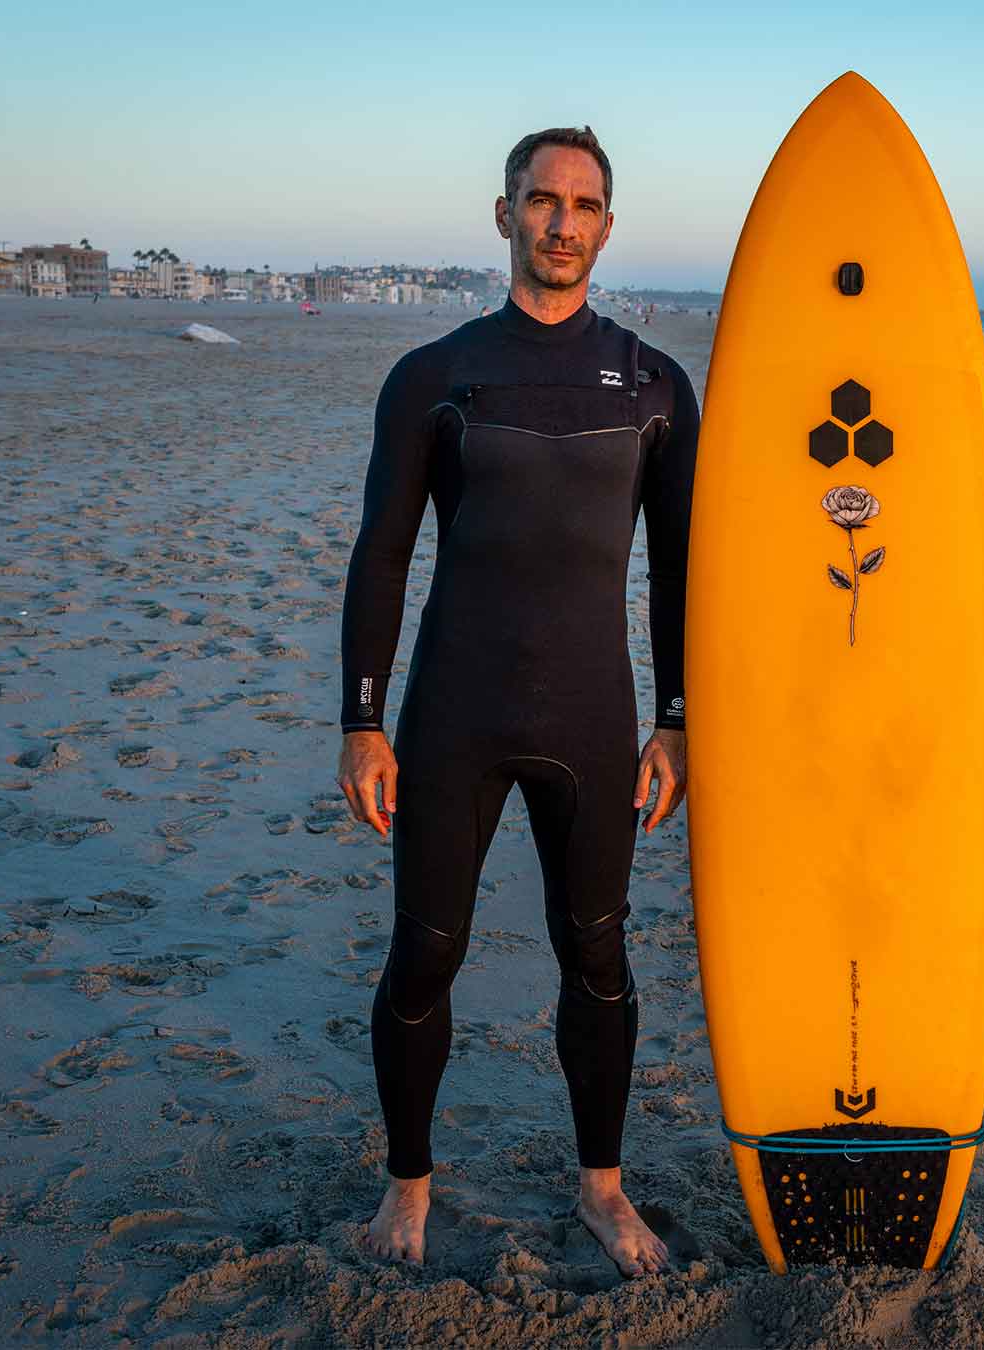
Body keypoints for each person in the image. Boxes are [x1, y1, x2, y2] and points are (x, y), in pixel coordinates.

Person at [336, 126, 695, 1278]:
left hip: (594, 720)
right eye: (543, 202)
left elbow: (682, 571)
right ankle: (409, 1188)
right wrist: (361, 719)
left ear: (605, 224)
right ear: (505, 216)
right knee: (424, 954)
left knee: (597, 954)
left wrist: (677, 717)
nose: (563, 223)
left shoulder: (653, 386)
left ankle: (602, 1188)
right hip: (454, 716)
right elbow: (381, 555)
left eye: (585, 205)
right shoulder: (435, 377)